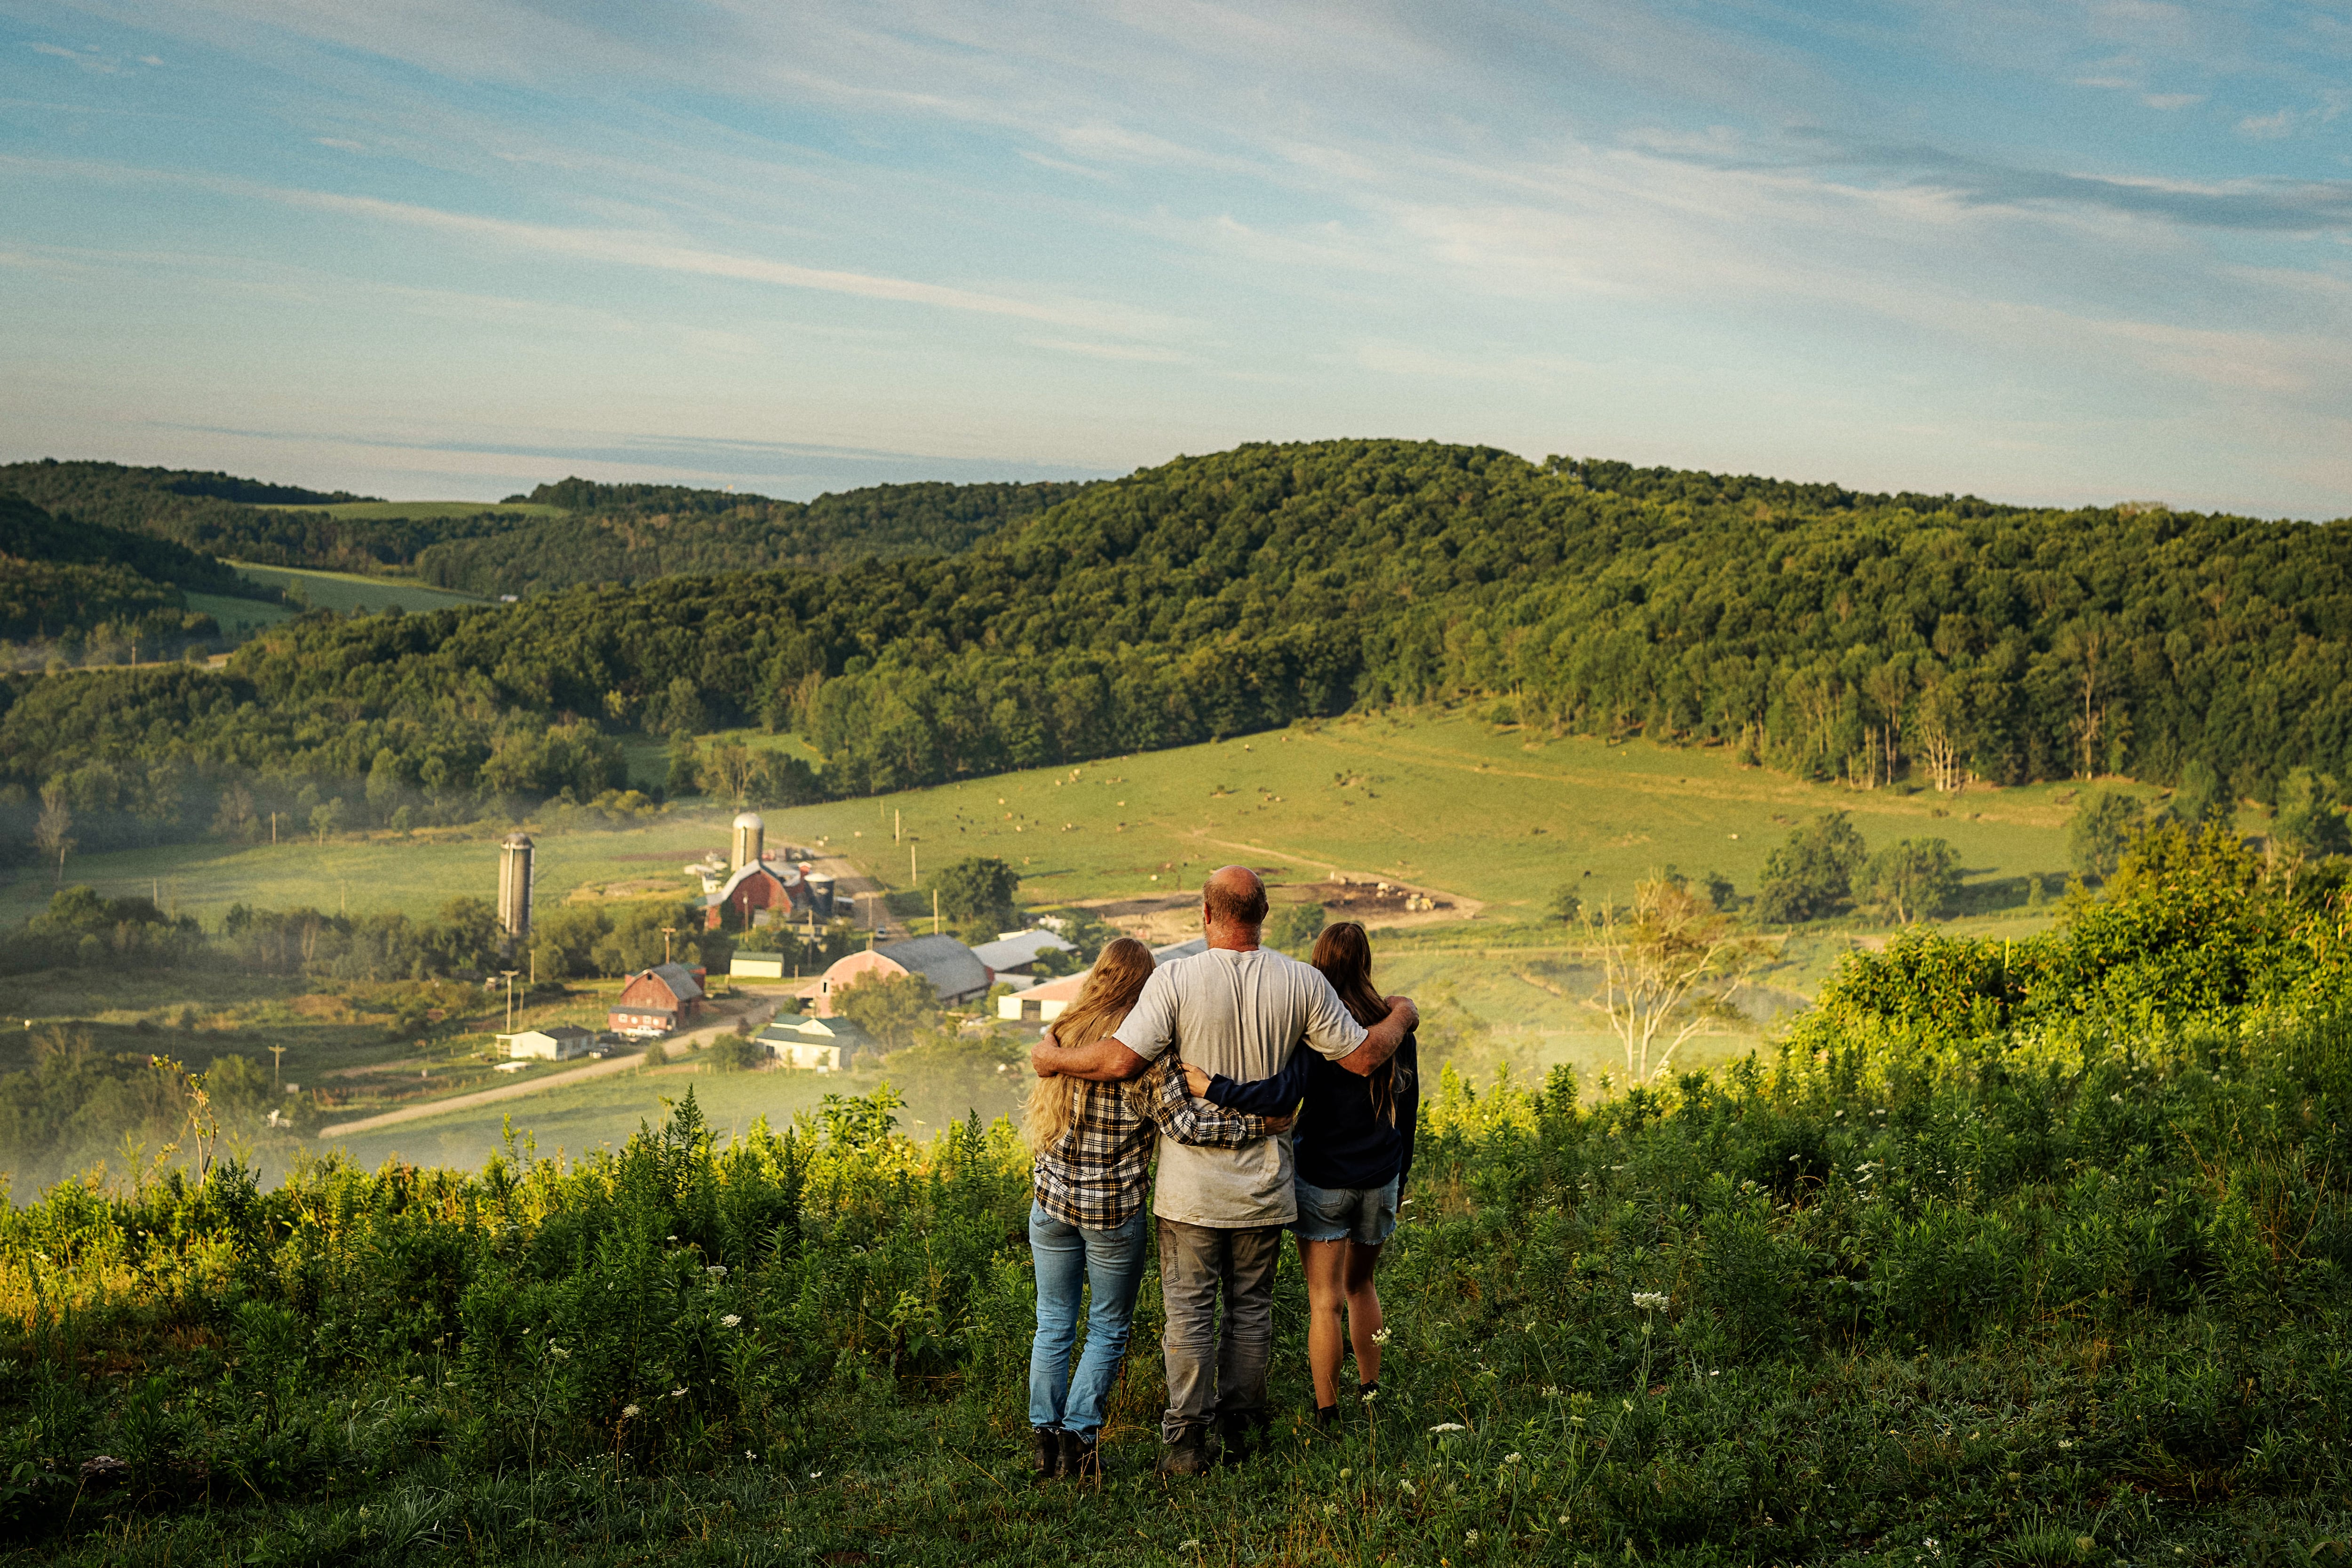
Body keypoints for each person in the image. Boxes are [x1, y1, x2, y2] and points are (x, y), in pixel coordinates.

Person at [1032, 867, 1417, 1475]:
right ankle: (1244, 1429)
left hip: (1189, 1194)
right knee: (1251, 1311)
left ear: (1206, 915)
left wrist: (1053, 1057)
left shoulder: (1175, 980)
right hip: (1264, 1188)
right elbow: (1366, 1055)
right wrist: (1403, 1012)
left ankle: (1186, 1443)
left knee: (1188, 1318)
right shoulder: (1303, 981)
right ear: (1262, 914)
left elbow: (1118, 1059)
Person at [1022, 936, 1287, 1481]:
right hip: (1112, 1211)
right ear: (1145, 987)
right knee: (1107, 1327)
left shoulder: (1062, 1035)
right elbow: (1185, 1126)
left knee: (1052, 1323)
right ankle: (1080, 1435)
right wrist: (1259, 1124)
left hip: (1049, 1203)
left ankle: (1043, 1444)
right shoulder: (1144, 1056)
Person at [1185, 920, 1418, 1425]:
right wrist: (1400, 1180)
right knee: (1363, 1287)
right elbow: (1410, 1116)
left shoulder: (1313, 1029)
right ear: (1366, 963)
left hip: (1323, 1180)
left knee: (1323, 1301)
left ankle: (1327, 1412)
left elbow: (1279, 1096)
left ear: (1318, 964)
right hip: (1380, 1177)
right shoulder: (1394, 1028)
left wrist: (1213, 1087)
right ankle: (1371, 1392)